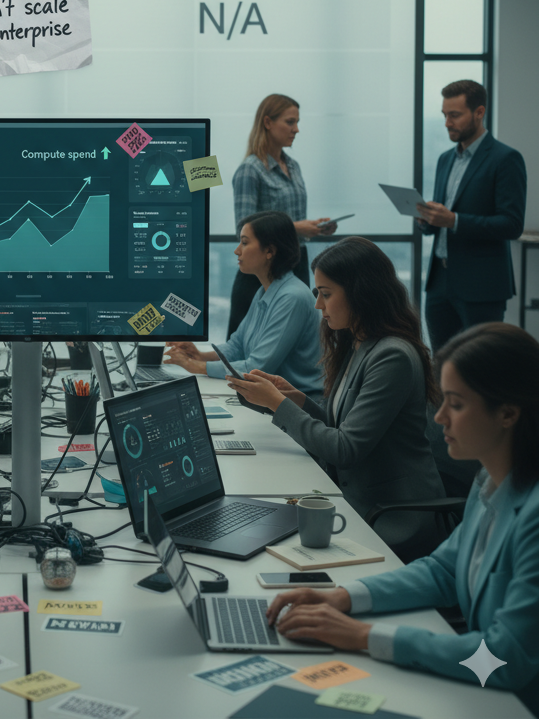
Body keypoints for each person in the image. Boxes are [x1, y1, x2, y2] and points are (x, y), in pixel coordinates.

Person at [264, 323, 539, 713]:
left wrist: (364, 636)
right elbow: (443, 571)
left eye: (456, 405)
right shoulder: (491, 480)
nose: (439, 417)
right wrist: (343, 597)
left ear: (508, 413)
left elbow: (504, 661)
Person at [227, 237, 444, 555]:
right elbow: (343, 426)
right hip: (359, 503)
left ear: (361, 293)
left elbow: (345, 449)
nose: (318, 305)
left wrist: (278, 403)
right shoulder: (359, 342)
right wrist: (297, 399)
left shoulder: (392, 355)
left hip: (394, 518)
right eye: (317, 294)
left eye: (326, 294)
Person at [417, 79, 526, 352]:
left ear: (479, 112)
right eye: (444, 115)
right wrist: (428, 220)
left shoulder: (505, 159)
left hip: (481, 285)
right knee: (441, 363)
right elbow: (442, 218)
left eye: (454, 115)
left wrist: (453, 220)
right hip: (439, 282)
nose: (447, 123)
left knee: (482, 365)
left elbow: (511, 224)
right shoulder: (445, 159)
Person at [163, 211, 321, 395]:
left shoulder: (292, 297)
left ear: (270, 251)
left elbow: (257, 367)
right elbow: (236, 346)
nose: (237, 250)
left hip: (301, 405)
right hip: (274, 400)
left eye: (245, 243)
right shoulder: (265, 291)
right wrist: (200, 355)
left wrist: (196, 366)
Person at [228, 94, 336, 337]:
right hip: (262, 269)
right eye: (290, 122)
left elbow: (292, 220)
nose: (296, 129)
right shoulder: (250, 169)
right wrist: (299, 228)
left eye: (297, 122)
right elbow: (243, 226)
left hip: (295, 263)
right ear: (267, 122)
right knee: (246, 346)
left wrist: (315, 228)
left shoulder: (293, 166)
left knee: (293, 341)